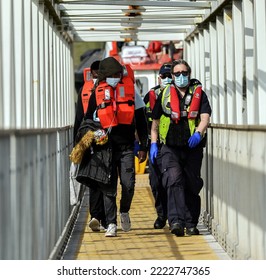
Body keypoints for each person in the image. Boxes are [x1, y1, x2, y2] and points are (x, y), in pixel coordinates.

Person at [85, 57, 148, 237]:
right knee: (108, 186)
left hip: (127, 146)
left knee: (128, 184)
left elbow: (141, 120)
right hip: (104, 148)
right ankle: (111, 222)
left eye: (118, 74)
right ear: (105, 76)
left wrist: (143, 145)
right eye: (112, 75)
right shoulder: (97, 91)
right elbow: (88, 119)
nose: (116, 77)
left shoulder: (130, 91)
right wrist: (92, 136)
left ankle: (124, 211)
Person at [150, 59, 212, 236]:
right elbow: (154, 124)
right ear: (172, 76)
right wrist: (154, 144)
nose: (181, 77)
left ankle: (191, 222)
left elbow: (205, 118)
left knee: (192, 183)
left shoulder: (199, 94)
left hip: (193, 147)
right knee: (173, 180)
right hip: (170, 146)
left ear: (189, 74)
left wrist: (198, 133)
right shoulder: (164, 95)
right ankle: (176, 221)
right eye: (177, 74)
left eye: (184, 73)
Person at [73, 60, 107, 231]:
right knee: (99, 179)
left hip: (97, 137)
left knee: (97, 179)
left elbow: (79, 118)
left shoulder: (85, 90)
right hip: (96, 137)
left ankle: (99, 216)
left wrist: (77, 144)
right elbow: (80, 117)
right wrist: (77, 145)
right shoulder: (101, 90)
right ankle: (99, 216)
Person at [143, 63, 172, 229]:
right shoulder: (150, 96)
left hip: (172, 145)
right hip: (154, 145)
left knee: (173, 180)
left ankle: (174, 215)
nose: (167, 79)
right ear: (159, 77)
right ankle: (162, 214)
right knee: (156, 182)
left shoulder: (178, 95)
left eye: (170, 76)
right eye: (164, 76)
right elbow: (141, 119)